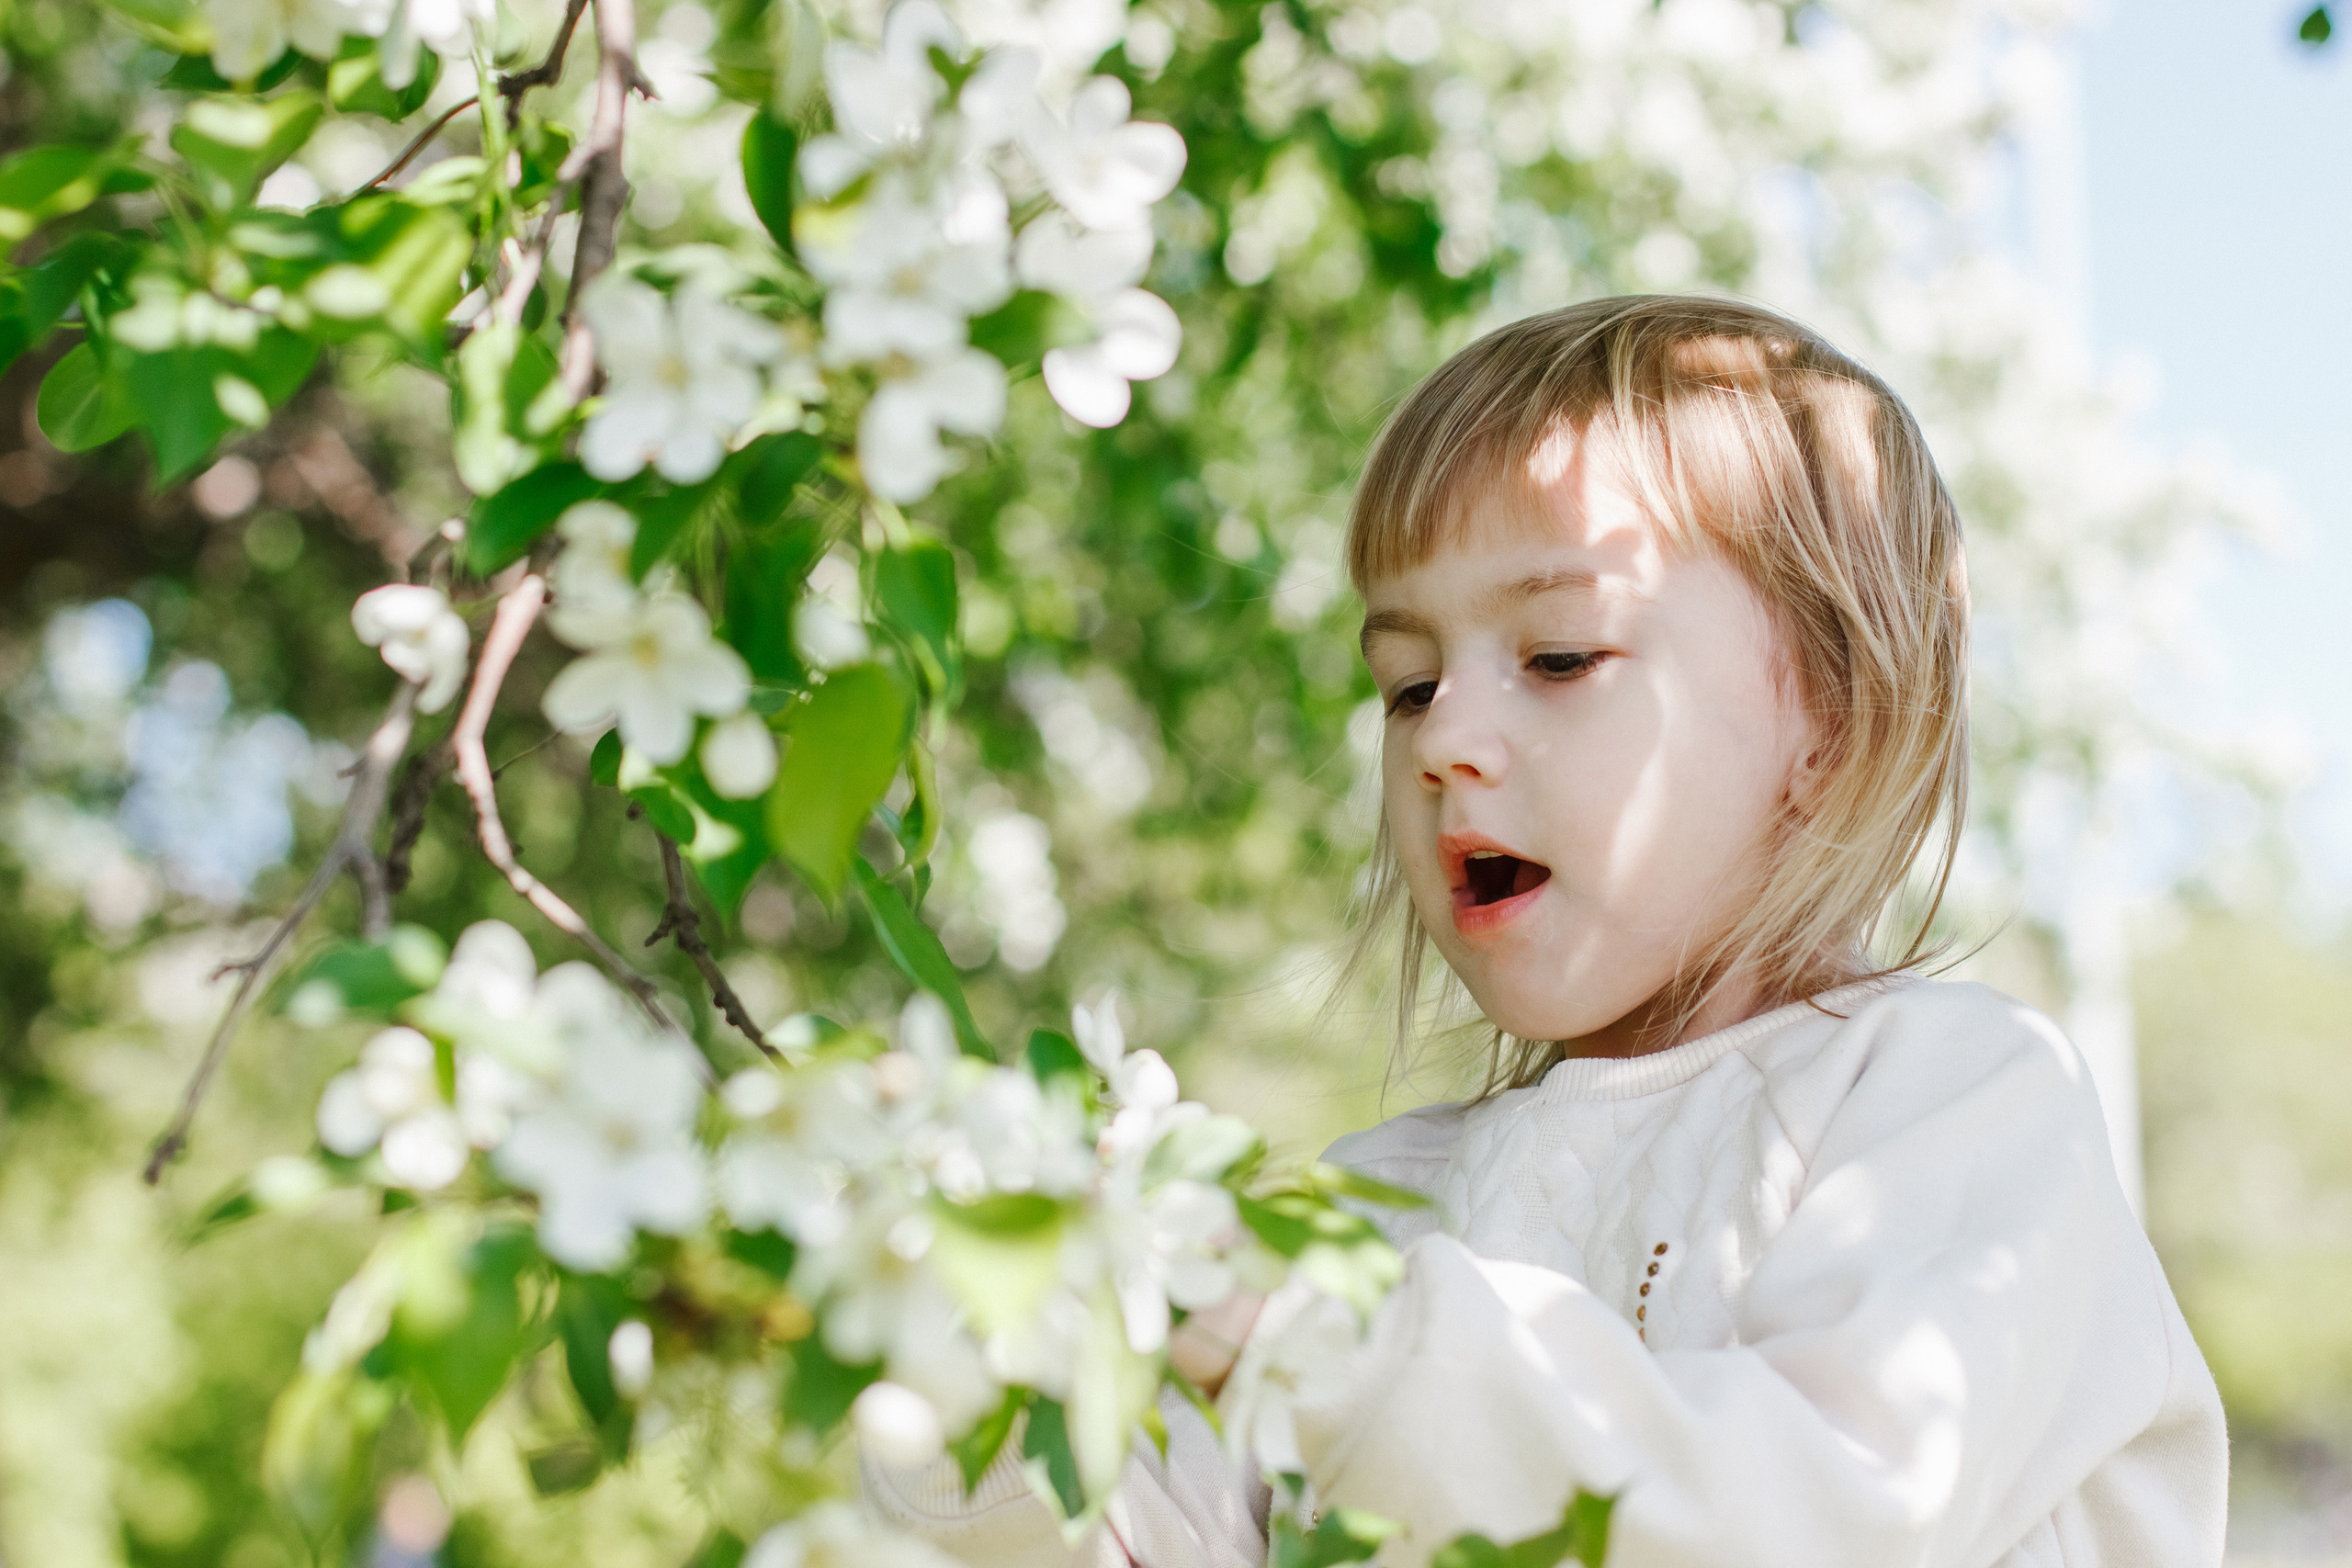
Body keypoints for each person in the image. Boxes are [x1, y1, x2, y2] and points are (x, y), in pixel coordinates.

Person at [865, 296, 2227, 1566]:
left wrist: (1326, 1347)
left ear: (1830, 711)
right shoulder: (1370, 1212)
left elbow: (1823, 1507)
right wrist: (984, 1353)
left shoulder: (1944, 1104)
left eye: (1559, 656)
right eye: (1405, 685)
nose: (1445, 740)